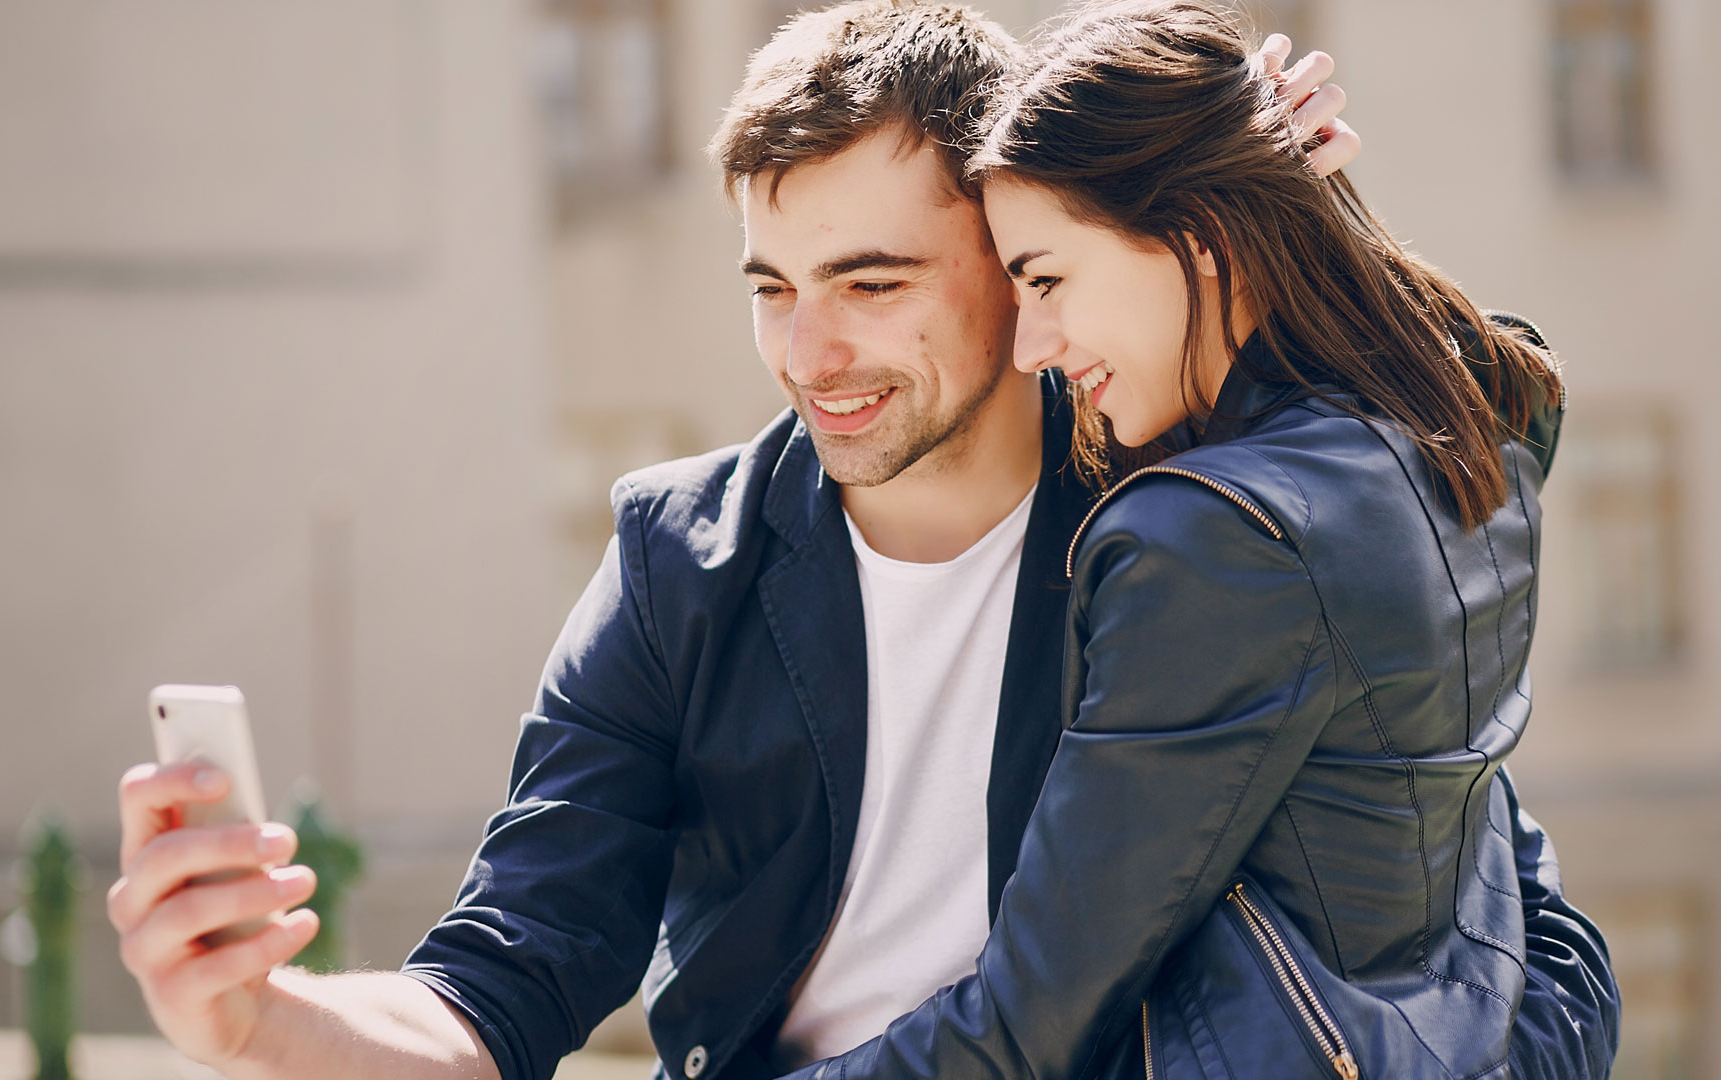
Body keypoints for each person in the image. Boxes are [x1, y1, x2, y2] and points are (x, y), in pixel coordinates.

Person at [105, 5, 1616, 1080]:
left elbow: (1464, 469)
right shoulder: (677, 568)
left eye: (874, 281)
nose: (808, 353)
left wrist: (1275, 207)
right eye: (772, 285)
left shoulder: (1188, 515)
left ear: (1021, 254)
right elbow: (505, 980)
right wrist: (262, 1023)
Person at [771, 2, 1601, 1079]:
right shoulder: (1471, 427)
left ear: (1200, 240)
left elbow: (1025, 1025)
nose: (1033, 346)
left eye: (1048, 279)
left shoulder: (1215, 543)